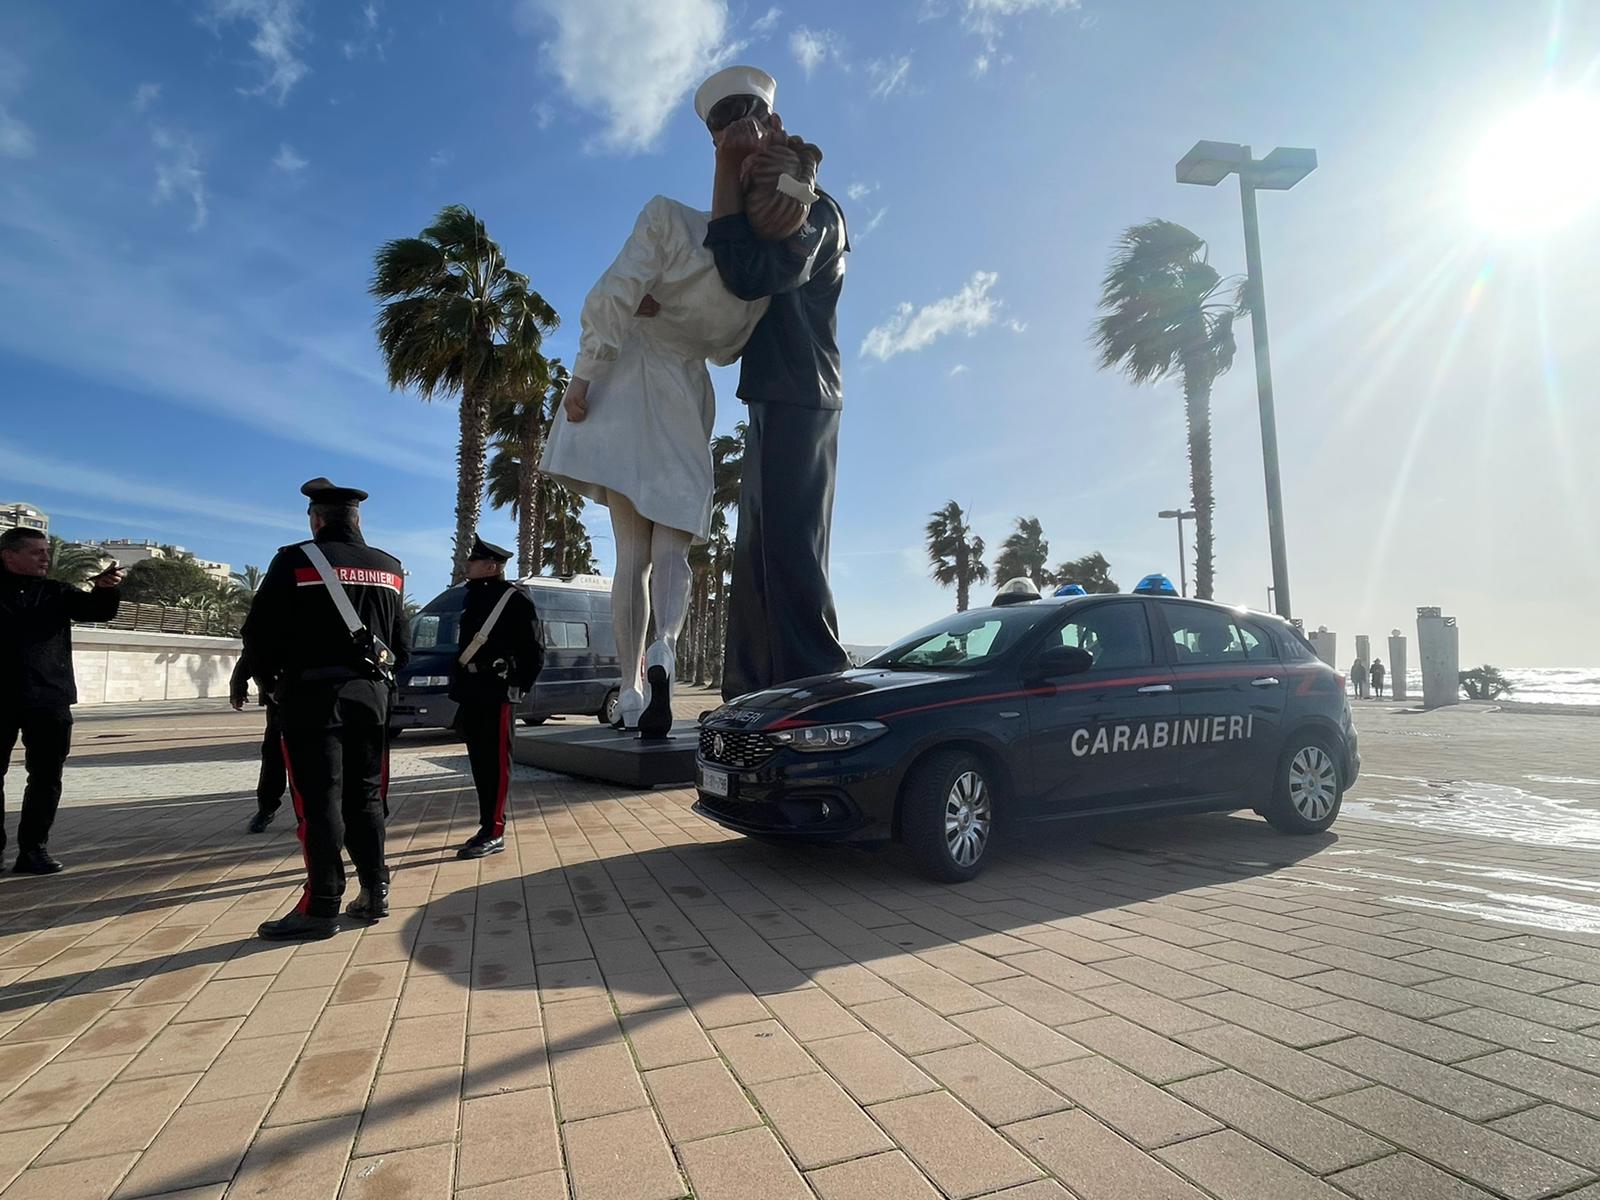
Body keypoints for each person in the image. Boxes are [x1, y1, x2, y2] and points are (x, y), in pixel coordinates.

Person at [541, 76, 821, 733]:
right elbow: (723, 350)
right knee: (672, 548)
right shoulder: (756, 277)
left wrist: (582, 380)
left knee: (629, 555)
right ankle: (664, 644)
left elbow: (611, 295)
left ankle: (631, 686)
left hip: (629, 378)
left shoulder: (669, 217)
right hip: (683, 391)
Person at [694, 65, 852, 702]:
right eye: (721, 131)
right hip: (772, 394)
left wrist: (724, 178)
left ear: (770, 122)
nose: (732, 138)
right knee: (757, 562)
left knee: (790, 555)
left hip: (805, 391)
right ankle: (752, 696)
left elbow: (751, 273)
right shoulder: (763, 197)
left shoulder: (815, 205)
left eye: (742, 120)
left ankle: (816, 693)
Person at [241, 478, 408, 940]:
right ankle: (375, 892)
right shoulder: (390, 568)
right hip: (372, 699)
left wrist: (270, 684)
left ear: (316, 519)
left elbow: (258, 633)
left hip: (312, 700)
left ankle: (321, 906)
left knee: (318, 802)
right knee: (368, 796)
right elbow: (402, 646)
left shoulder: (295, 560)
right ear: (357, 520)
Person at [0, 529, 123, 874]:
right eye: (36, 552)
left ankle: (34, 850)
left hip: (49, 699)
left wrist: (105, 588)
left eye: (47, 551)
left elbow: (96, 612)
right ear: (9, 555)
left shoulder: (57, 592)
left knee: (46, 777)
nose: (45, 557)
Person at [449, 536, 543, 859]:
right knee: (478, 763)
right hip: (473, 693)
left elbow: (534, 652)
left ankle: (495, 830)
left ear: (490, 566)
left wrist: (516, 686)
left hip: (498, 692)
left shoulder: (514, 599)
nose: (467, 565)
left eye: (473, 561)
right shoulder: (472, 597)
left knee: (496, 764)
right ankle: (486, 824)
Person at [229, 648, 286, 833]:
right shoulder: (269, 622)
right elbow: (253, 650)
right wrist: (238, 686)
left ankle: (312, 813)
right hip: (278, 700)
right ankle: (266, 809)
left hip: (316, 698)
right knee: (274, 756)